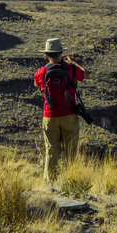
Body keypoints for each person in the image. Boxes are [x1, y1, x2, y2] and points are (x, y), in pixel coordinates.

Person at [34, 37, 89, 183]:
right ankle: (71, 182)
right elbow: (87, 75)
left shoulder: (42, 71)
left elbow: (37, 84)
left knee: (51, 151)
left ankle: (49, 183)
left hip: (50, 116)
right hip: (69, 115)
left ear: (46, 54)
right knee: (71, 152)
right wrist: (73, 63)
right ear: (62, 52)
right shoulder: (71, 69)